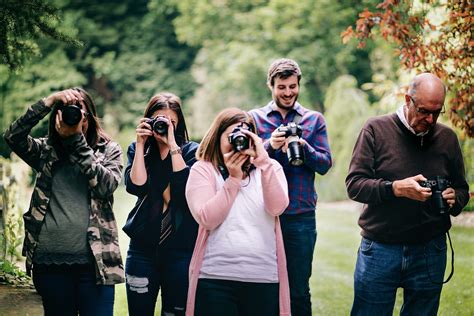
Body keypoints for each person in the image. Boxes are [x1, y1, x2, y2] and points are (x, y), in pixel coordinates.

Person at [346, 73, 470, 315]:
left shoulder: (447, 138)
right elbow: (354, 185)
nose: (430, 119)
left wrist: (456, 197)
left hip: (430, 250)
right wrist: (395, 188)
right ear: (408, 100)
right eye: (424, 111)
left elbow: (462, 189)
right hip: (380, 248)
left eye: (437, 112)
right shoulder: (375, 129)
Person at [3, 88, 124, 315]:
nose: (76, 118)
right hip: (50, 265)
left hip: (96, 266)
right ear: (57, 117)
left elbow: (106, 186)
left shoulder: (108, 150)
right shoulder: (46, 150)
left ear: (90, 117)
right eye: (68, 112)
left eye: (81, 114)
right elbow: (12, 136)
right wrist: (48, 102)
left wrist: (77, 141)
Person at [185, 108, 291, 316]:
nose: (238, 143)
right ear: (217, 137)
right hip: (215, 277)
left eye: (245, 136)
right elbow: (207, 219)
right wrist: (233, 180)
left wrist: (264, 163)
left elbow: (277, 207)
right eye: (232, 136)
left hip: (263, 277)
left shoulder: (271, 168)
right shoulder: (203, 169)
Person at [249, 58, 332, 315]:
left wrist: (304, 147)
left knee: (298, 289)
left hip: (300, 216)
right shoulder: (254, 118)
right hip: (262, 215)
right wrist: (269, 146)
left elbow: (325, 164)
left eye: (293, 86)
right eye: (282, 87)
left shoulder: (314, 120)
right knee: (264, 288)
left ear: (299, 85)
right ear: (270, 86)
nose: (288, 92)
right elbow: (245, 164)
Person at [123, 92, 199, 316]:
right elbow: (135, 186)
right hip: (142, 250)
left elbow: (185, 192)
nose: (165, 127)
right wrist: (139, 144)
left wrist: (173, 145)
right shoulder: (140, 150)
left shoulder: (192, 152)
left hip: (181, 250)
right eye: (160, 121)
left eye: (171, 123)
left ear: (179, 124)